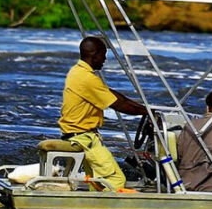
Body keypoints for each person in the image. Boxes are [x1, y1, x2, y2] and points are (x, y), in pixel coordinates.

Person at [59, 35, 147, 191]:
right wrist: (146, 112)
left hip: (76, 135)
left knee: (97, 180)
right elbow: (119, 105)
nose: (105, 58)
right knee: (115, 179)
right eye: (103, 54)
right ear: (95, 54)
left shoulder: (77, 72)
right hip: (85, 138)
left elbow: (113, 94)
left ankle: (92, 204)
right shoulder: (87, 78)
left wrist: (144, 108)